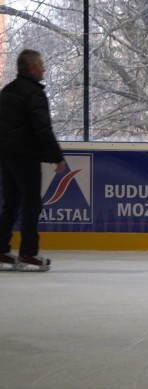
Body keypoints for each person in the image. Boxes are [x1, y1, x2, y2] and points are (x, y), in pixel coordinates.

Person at [0, 49, 66, 272]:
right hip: (25, 156)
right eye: (40, 65)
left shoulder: (7, 91)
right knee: (31, 204)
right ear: (31, 68)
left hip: (6, 156)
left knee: (11, 202)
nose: (43, 69)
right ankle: (28, 253)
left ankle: (1, 251)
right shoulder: (34, 94)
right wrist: (57, 157)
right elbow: (43, 128)